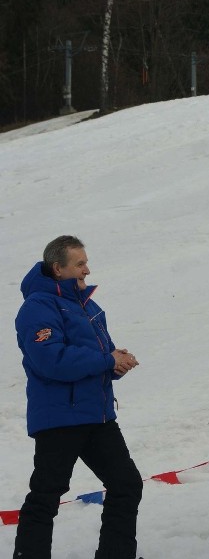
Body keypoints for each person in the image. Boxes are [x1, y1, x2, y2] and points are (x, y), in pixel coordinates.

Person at [13, 235, 143, 559]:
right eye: (80, 263)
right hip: (60, 417)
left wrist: (116, 362)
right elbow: (51, 360)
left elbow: (98, 355)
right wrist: (106, 360)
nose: (87, 269)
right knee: (46, 496)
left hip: (96, 415)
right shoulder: (37, 307)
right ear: (58, 268)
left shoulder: (85, 303)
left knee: (126, 484)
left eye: (86, 261)